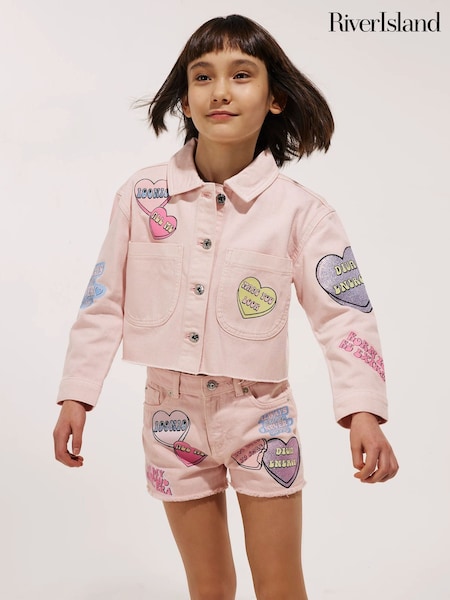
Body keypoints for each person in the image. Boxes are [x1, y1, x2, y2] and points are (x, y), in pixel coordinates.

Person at [53, 14, 399, 600]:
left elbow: (344, 315)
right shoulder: (142, 197)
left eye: (241, 75)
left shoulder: (301, 213)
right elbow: (103, 300)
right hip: (169, 416)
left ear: (275, 99)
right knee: (208, 586)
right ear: (184, 100)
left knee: (279, 585)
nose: (219, 90)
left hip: (261, 418)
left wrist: (363, 410)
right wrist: (76, 394)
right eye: (202, 76)